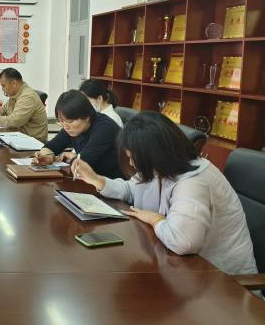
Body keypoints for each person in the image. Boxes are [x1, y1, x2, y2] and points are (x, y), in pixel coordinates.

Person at [71, 111, 257, 276]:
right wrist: (97, 180)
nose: (133, 164)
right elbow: (131, 189)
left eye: (134, 158)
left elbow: (183, 242)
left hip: (224, 283)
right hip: (182, 269)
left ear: (154, 154)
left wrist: (156, 220)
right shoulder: (161, 166)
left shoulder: (194, 180)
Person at [33, 89, 123, 178]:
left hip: (113, 181)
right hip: (90, 178)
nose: (65, 126)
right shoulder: (71, 127)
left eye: (70, 121)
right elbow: (50, 146)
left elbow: (83, 164)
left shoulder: (104, 128)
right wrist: (47, 156)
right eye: (61, 121)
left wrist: (72, 157)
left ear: (87, 117)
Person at [0, 67, 48, 143]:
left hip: (33, 142)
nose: (2, 89)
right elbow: (2, 111)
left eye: (3, 86)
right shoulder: (16, 94)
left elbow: (14, 121)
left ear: (14, 83)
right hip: (20, 136)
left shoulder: (27, 96)